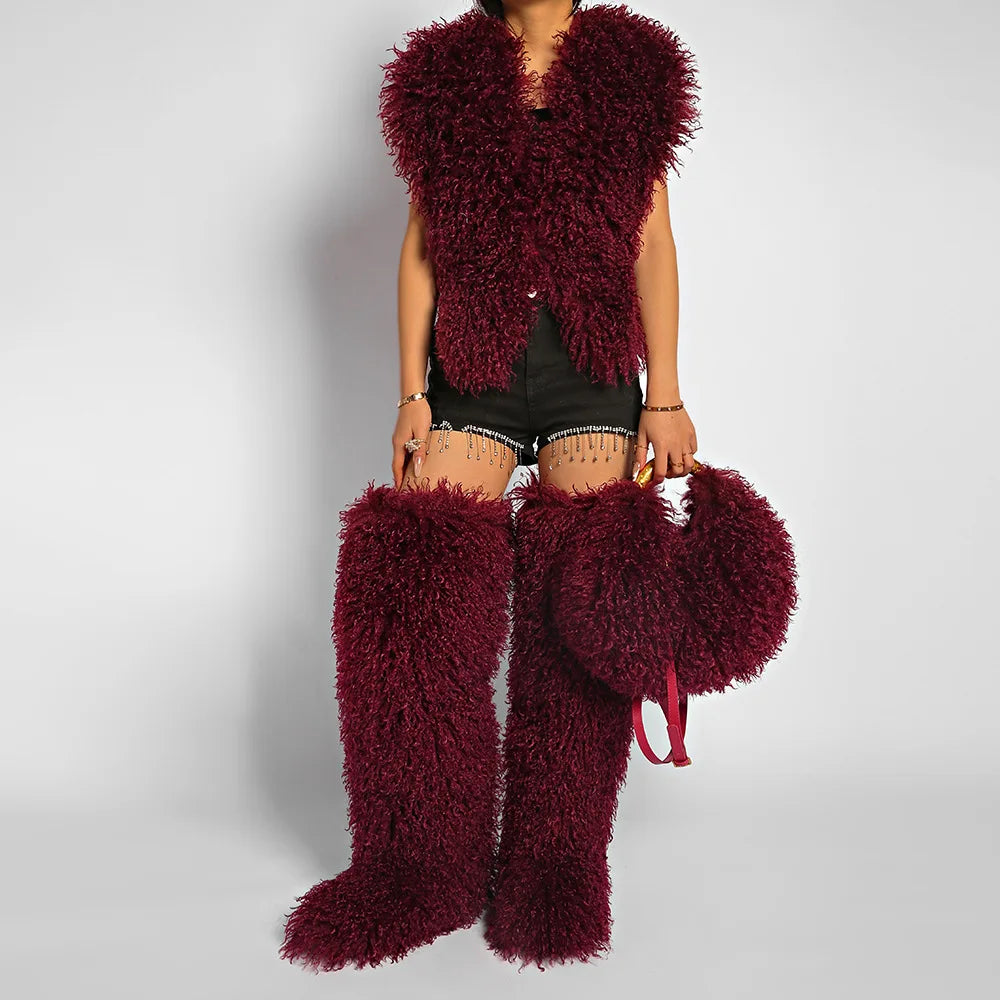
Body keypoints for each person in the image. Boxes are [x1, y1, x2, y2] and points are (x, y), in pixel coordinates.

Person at [280, 0, 702, 972]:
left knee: (577, 624)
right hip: (474, 369)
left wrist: (667, 397)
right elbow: (421, 245)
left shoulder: (632, 68)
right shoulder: (445, 74)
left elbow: (651, 240)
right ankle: (420, 866)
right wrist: (410, 395)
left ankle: (556, 871)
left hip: (593, 372)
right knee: (413, 602)